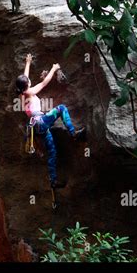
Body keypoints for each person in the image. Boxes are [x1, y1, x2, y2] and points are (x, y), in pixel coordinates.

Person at [16, 54, 85, 189]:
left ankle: (53, 181)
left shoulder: (21, 93)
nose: (30, 82)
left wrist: (28, 63)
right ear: (27, 86)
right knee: (61, 108)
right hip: (40, 122)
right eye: (28, 82)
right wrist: (54, 69)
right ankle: (73, 134)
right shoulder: (29, 92)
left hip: (37, 128)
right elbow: (43, 83)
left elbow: (25, 78)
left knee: (52, 151)